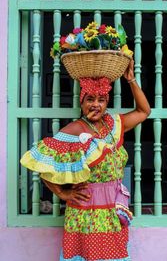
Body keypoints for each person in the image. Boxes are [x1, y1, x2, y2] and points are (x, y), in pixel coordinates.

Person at [21, 59, 151, 261]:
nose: (95, 105)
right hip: (86, 211)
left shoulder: (113, 125)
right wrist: (62, 193)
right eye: (90, 99)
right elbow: (41, 162)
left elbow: (144, 111)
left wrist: (131, 79)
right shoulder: (74, 130)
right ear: (81, 103)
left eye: (101, 100)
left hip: (113, 209)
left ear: (107, 103)